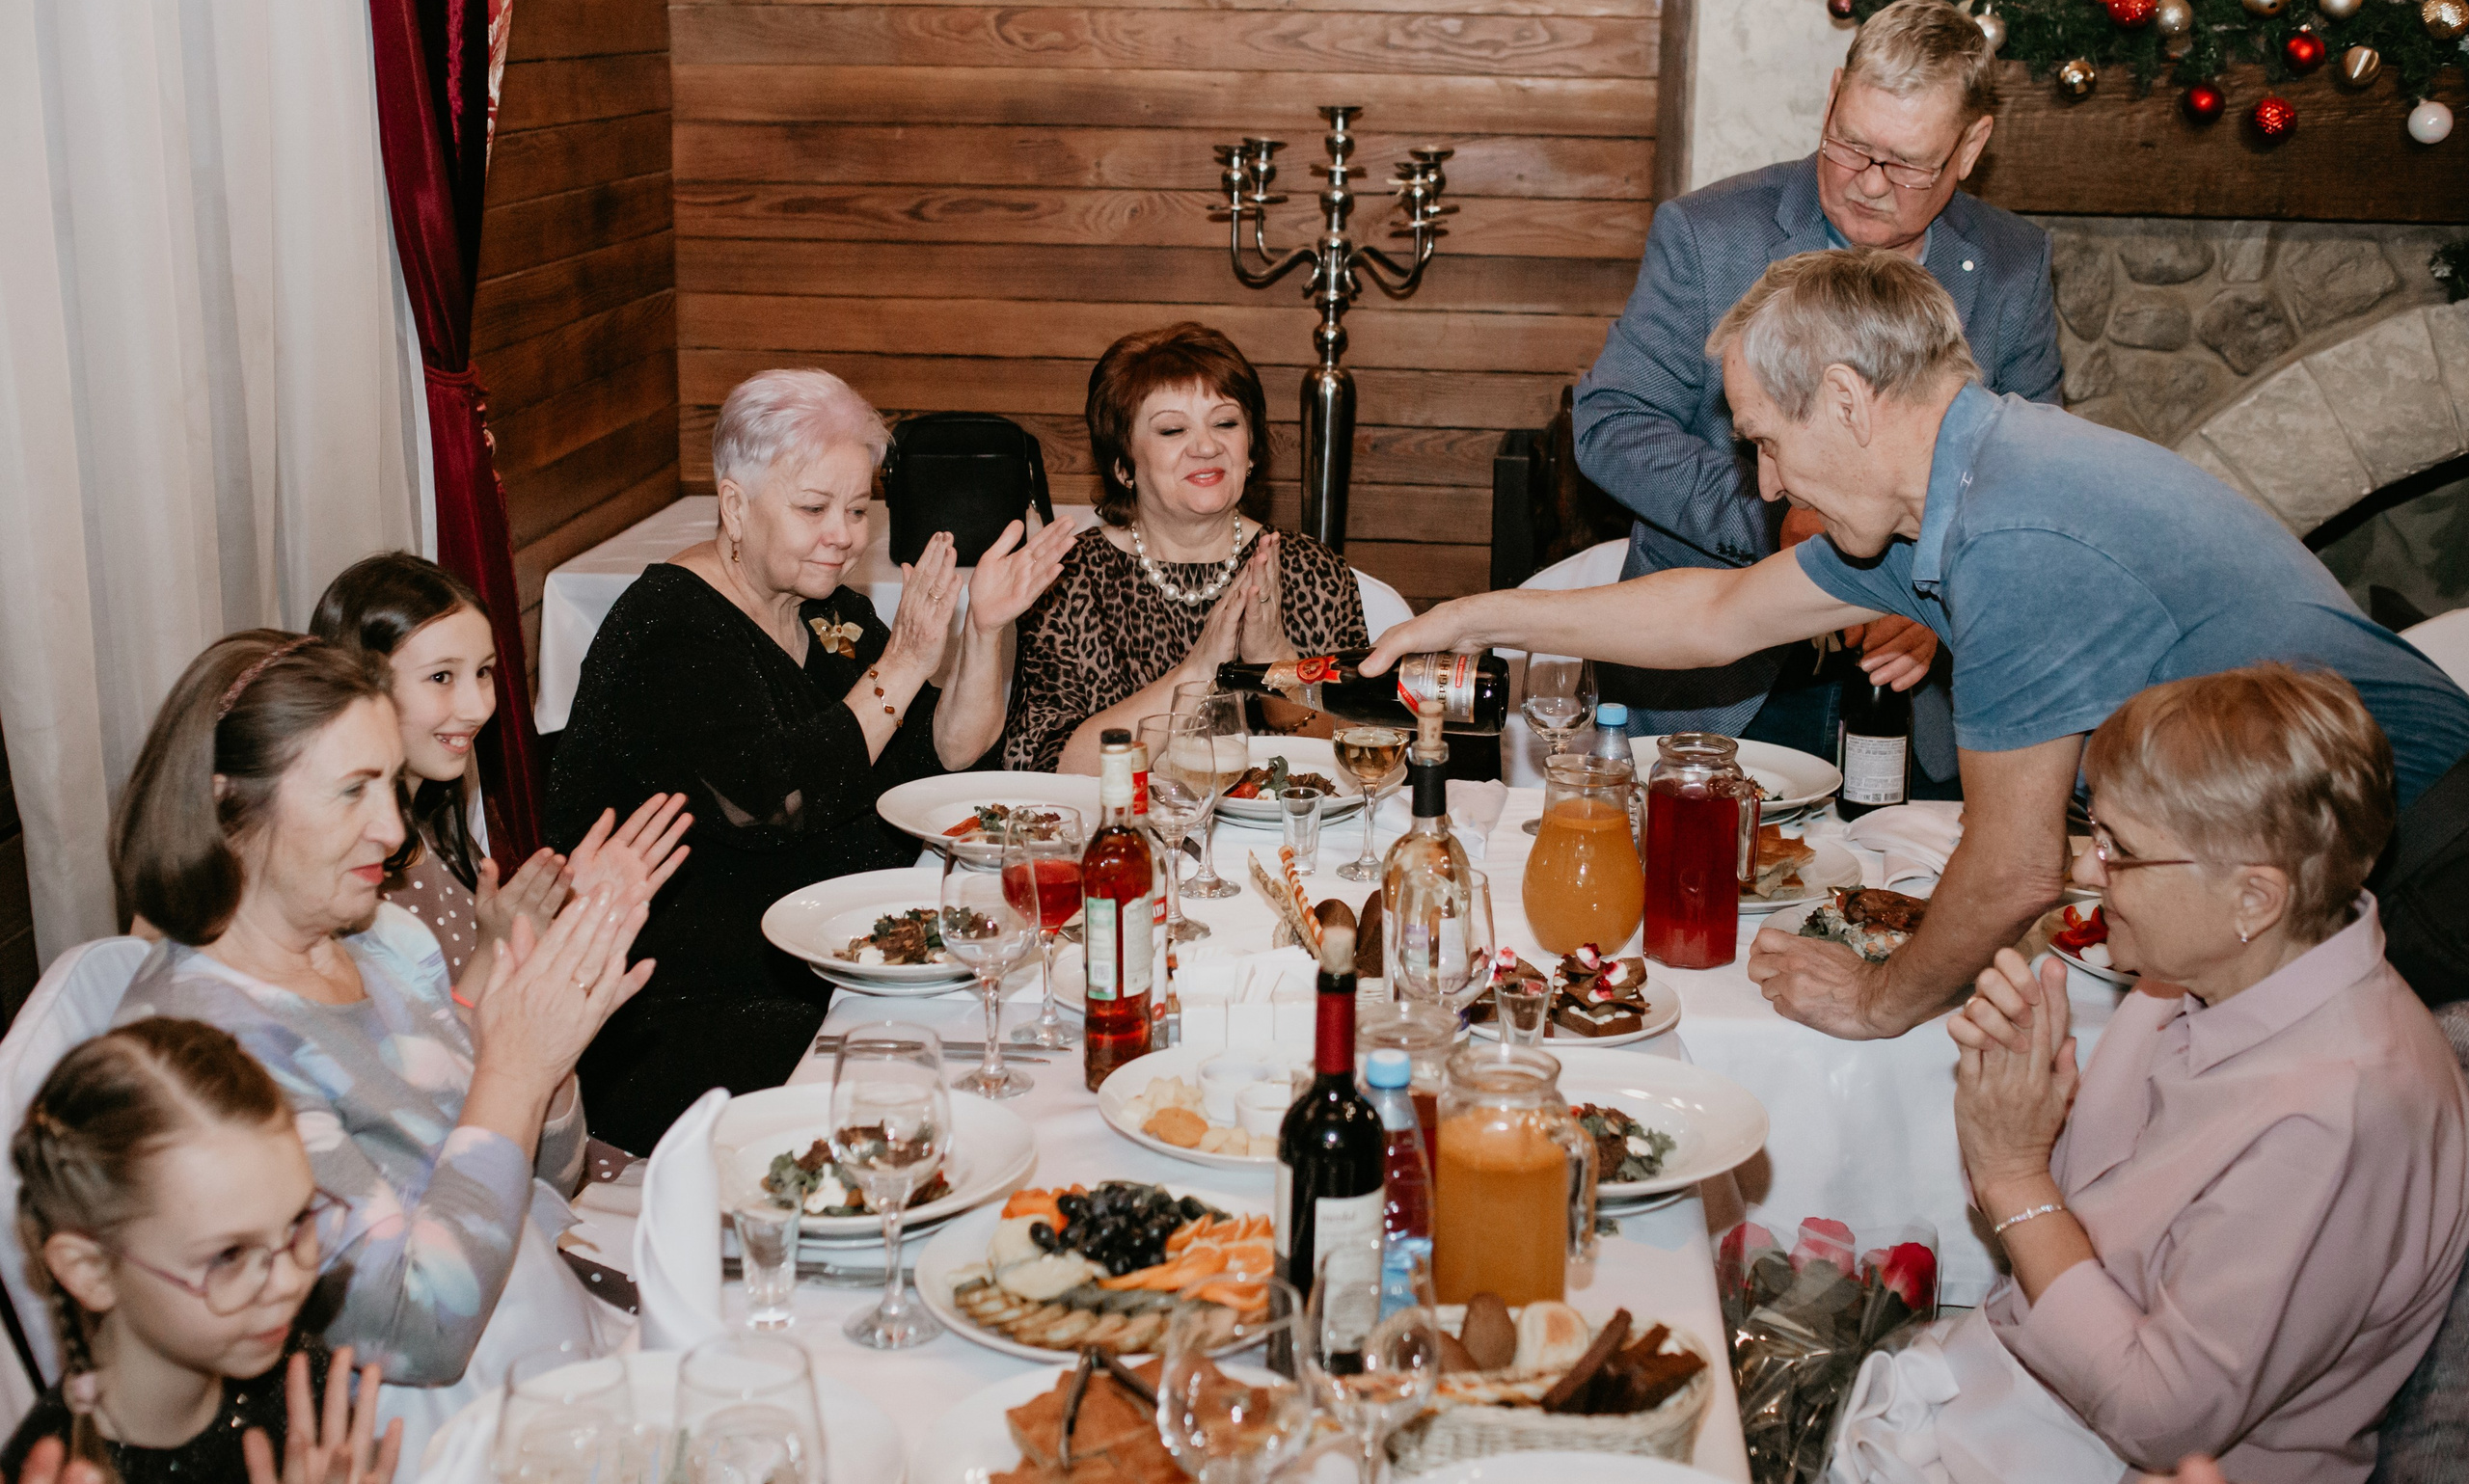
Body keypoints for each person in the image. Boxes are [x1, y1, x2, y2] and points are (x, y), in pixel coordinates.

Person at [1365, 248, 2469, 1034]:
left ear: (1845, 399)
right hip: (2314, 848)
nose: (1765, 484)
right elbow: (1713, 617)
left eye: (1765, 441)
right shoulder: (1955, 485)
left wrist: (1876, 1001)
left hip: (2428, 854)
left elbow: (2014, 865)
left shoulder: (2007, 530)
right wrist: (1476, 616)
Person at [1829, 666, 2469, 1484]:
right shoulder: (2190, 980)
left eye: (2121, 850)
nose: (2090, 872)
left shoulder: (2342, 1113)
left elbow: (2159, 1417)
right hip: (2000, 1404)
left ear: (2254, 898)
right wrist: (2017, 1119)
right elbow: (2062, 1232)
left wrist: (2013, 1172)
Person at [109, 632, 653, 1459]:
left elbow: (547, 1174)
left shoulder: (377, 941)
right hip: (437, 1436)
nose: (393, 829)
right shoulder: (200, 1047)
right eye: (353, 791)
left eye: (391, 785)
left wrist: (549, 1055)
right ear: (228, 802)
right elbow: (415, 1329)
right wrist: (513, 1071)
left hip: (558, 1347)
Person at [547, 368, 1076, 1149]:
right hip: (696, 1012)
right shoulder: (666, 631)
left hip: (840, 958)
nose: (845, 535)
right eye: (814, 508)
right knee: (949, 1091)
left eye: (859, 510)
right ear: (735, 505)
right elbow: (779, 800)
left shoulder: (828, 611)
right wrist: (904, 662)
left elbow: (941, 754)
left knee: (1025, 1049)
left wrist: (984, 630)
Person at [1575, 0, 2062, 787]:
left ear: (1971, 146)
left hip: (1914, 687)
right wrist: (1779, 520)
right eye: (1850, 144)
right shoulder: (1708, 233)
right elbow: (1610, 423)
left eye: (1906, 163)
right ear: (1834, 93)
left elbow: (2028, 476)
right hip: (1723, 686)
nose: (1868, 183)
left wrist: (1936, 598)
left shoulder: (2014, 264)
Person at [312, 553, 685, 1183]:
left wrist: (565, 923)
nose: (476, 705)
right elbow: (433, 1121)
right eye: (441, 677)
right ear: (361, 684)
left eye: (483, 672)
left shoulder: (432, 830)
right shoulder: (349, 884)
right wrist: (502, 950)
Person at [0, 1018, 402, 1484]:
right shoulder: (58, 1471)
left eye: (298, 1223)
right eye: (229, 1255)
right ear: (90, 1271)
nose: (290, 1281)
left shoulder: (295, 1376)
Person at [1002, 322, 1368, 773]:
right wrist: (1195, 672)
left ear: (1251, 450)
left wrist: (1274, 660)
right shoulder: (1067, 578)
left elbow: (1360, 752)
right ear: (1123, 465)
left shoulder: (1314, 571)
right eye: (1173, 430)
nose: (1207, 446)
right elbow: (1043, 767)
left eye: (1226, 423)